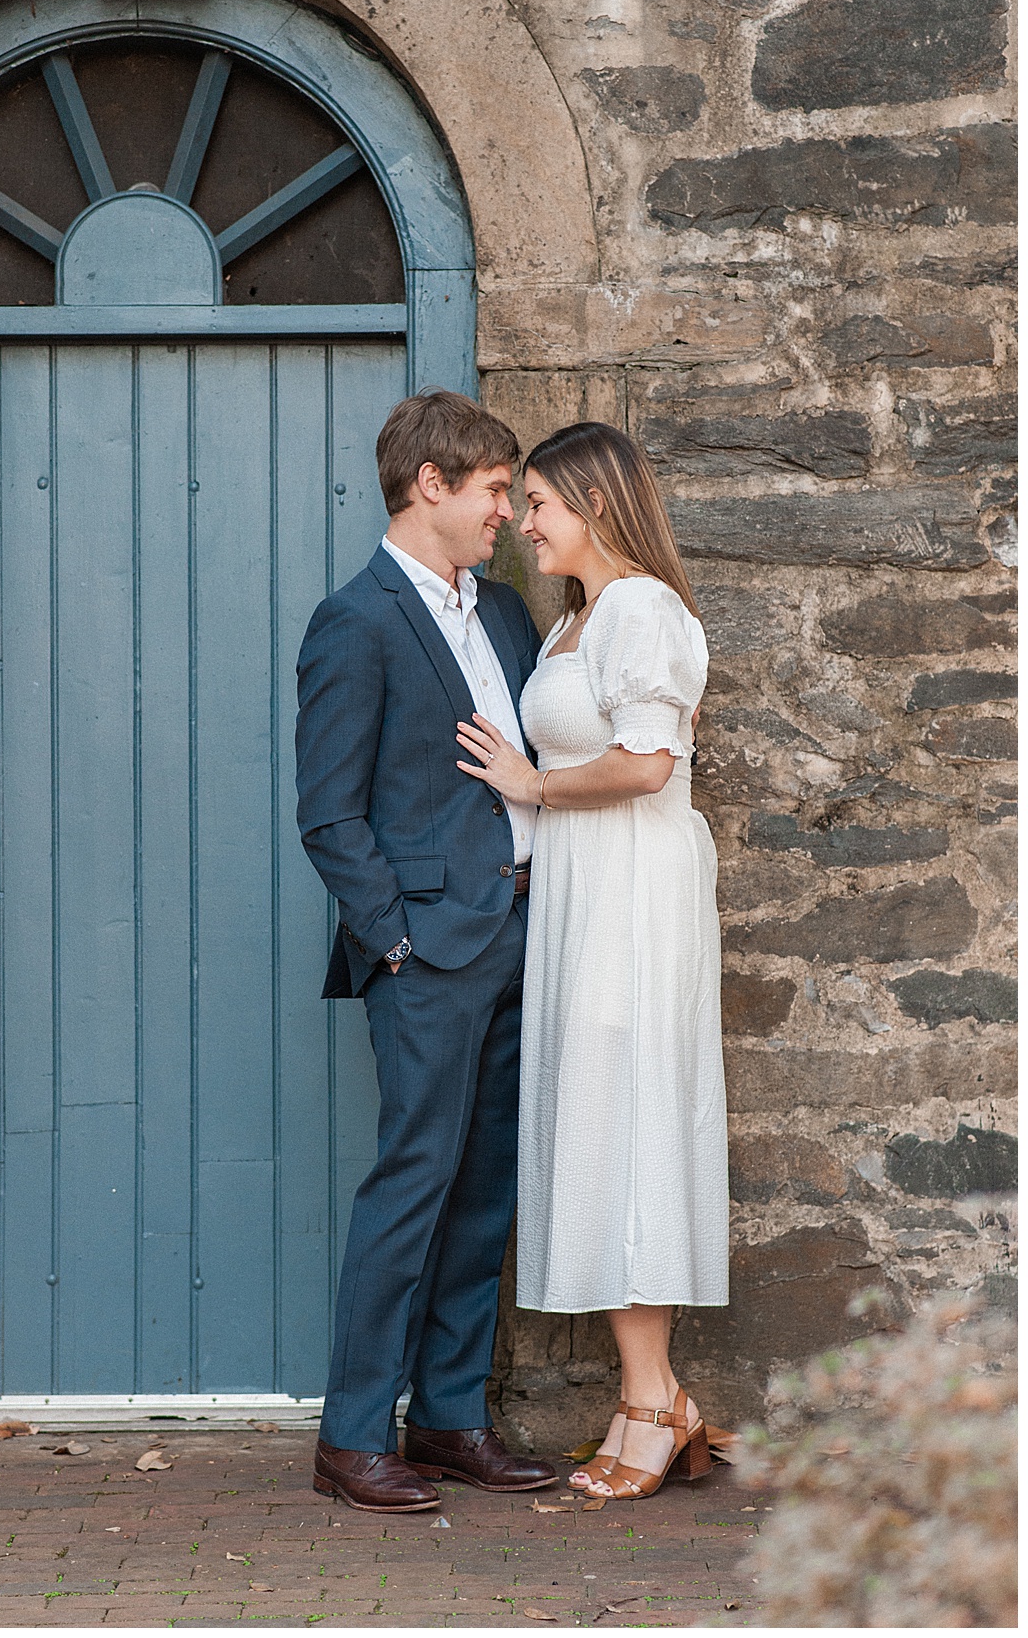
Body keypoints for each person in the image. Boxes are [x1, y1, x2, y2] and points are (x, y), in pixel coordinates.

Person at [294, 389, 560, 1513]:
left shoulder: (504, 615)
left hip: (520, 936)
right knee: (413, 1183)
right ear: (430, 486)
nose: (506, 509)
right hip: (428, 955)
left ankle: (452, 1417)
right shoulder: (354, 623)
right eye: (494, 489)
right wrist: (395, 940)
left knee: (484, 1191)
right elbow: (329, 814)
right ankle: (353, 1434)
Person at [455, 420, 725, 1502]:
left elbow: (649, 762)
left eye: (541, 505)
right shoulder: (577, 621)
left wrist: (533, 787)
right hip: (581, 890)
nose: (523, 521)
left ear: (596, 505)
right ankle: (651, 1396)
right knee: (601, 1125)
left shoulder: (644, 613)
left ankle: (654, 1400)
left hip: (630, 894)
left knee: (631, 1122)